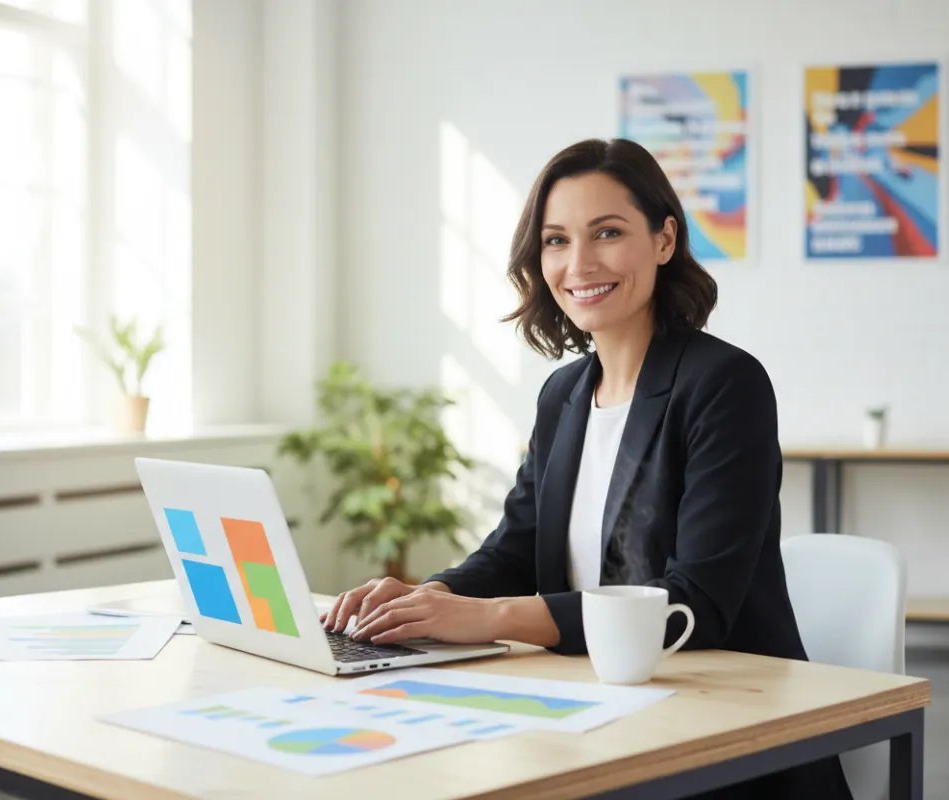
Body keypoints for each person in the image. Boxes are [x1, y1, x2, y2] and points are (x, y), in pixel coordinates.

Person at [322, 138, 853, 799]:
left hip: (726, 734)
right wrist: (427, 601)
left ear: (665, 240)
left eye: (607, 232)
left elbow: (695, 604)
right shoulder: (564, 395)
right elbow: (513, 552)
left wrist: (491, 620)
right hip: (593, 715)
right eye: (555, 240)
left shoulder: (725, 384)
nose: (578, 263)